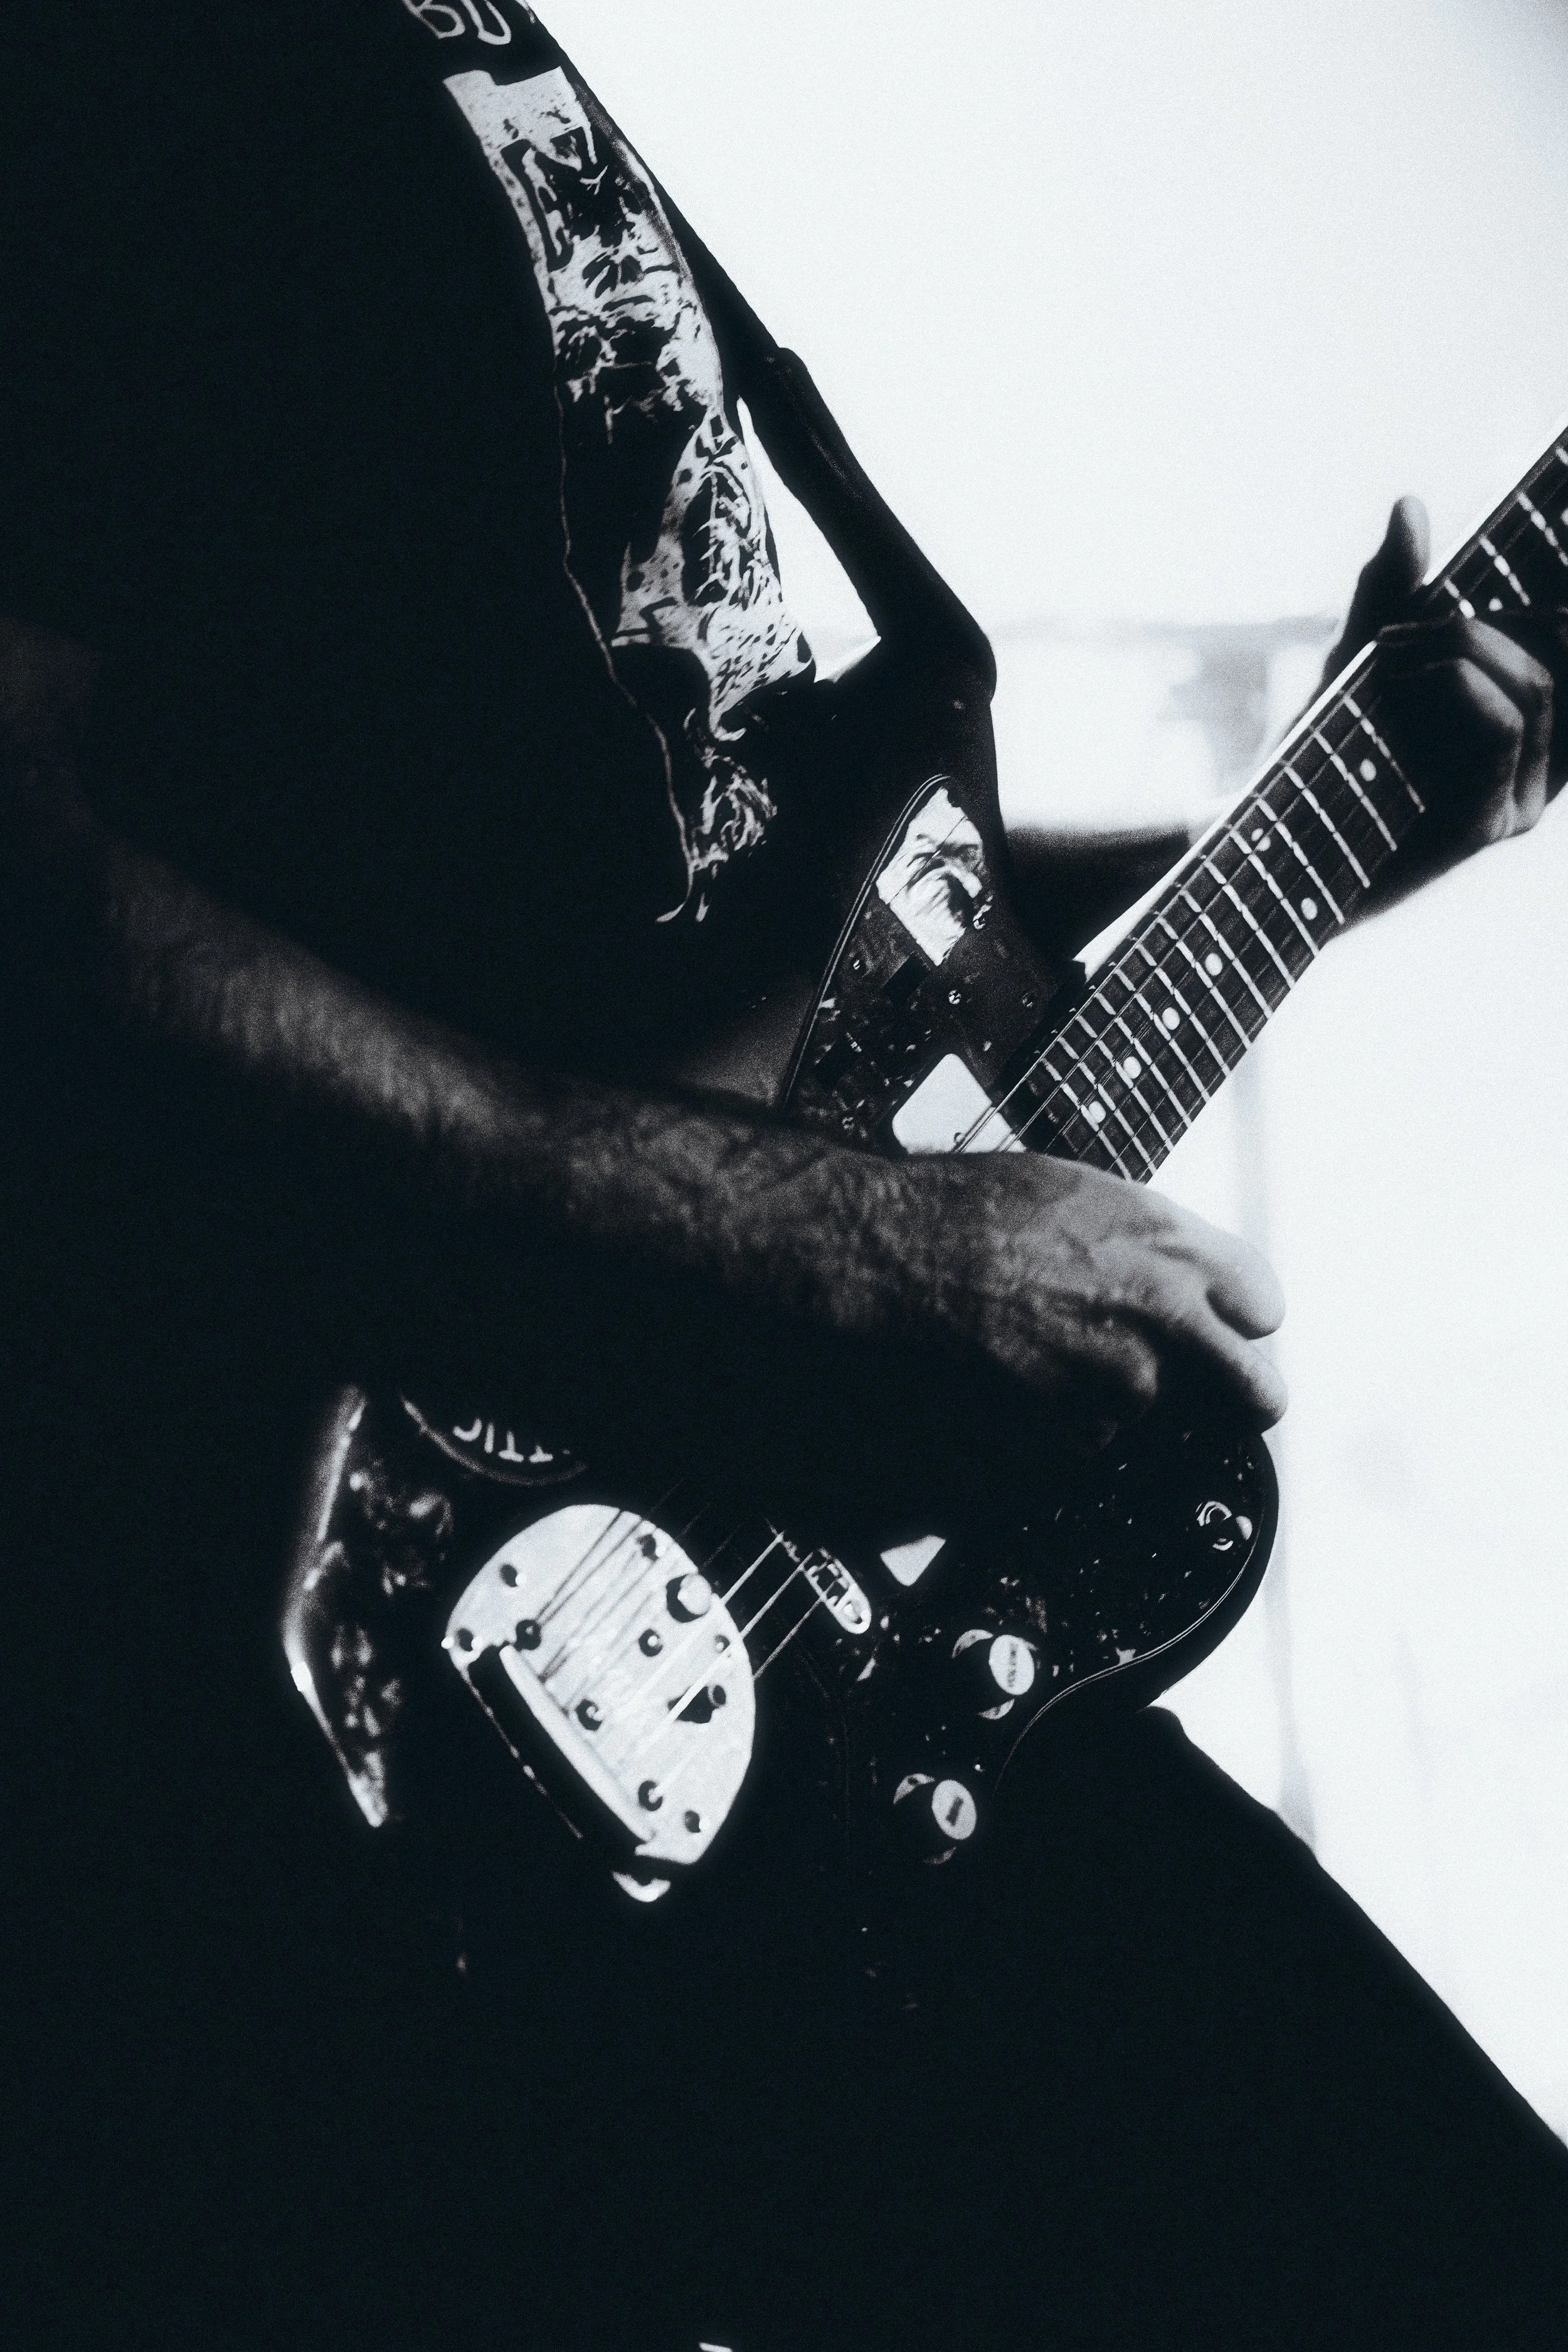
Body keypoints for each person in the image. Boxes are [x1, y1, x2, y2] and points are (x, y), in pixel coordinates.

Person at [2, 6, 1565, 2347]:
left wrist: (1333, 818)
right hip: (416, 1576)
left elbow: (773, 865)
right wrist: (814, 1239)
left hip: (817, 1620)